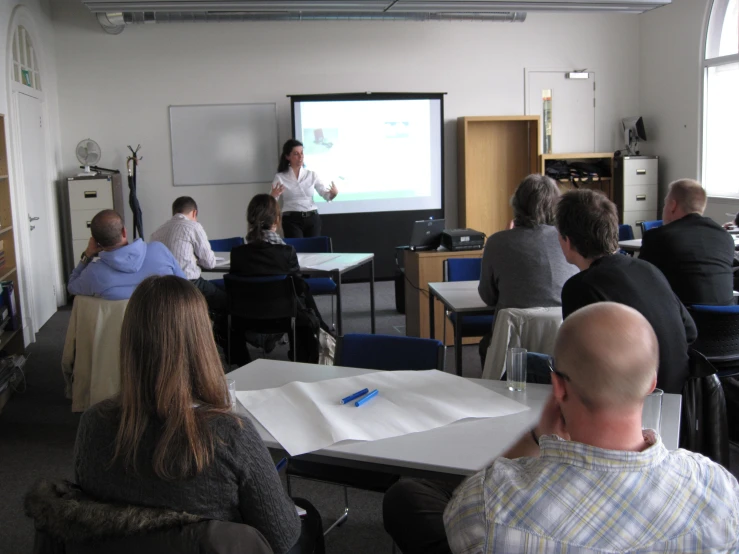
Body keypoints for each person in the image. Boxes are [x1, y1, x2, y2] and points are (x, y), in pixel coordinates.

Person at [383, 303, 739, 554]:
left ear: (559, 387)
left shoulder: (491, 503)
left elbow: (456, 525)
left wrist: (535, 437)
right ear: (651, 384)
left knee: (406, 497)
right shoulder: (719, 491)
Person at [74, 276, 325, 554]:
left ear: (128, 340)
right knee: (308, 516)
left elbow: (87, 519)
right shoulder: (229, 435)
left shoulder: (92, 425)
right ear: (202, 340)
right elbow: (283, 536)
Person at [556, 189, 696, 394]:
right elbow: (690, 331)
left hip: (626, 399)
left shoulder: (580, 287)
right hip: (677, 396)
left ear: (567, 241)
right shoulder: (649, 269)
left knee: (529, 365)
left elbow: (581, 365)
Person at [477, 174, 577, 365]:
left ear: (516, 204)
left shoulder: (497, 242)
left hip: (511, 348)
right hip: (563, 346)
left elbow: (488, 297)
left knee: (485, 346)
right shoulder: (569, 241)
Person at [229, 194, 328, 364]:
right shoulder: (286, 252)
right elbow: (297, 289)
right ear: (276, 219)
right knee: (302, 302)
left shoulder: (237, 254)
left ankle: (242, 364)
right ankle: (305, 355)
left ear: (249, 219)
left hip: (245, 317)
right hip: (283, 318)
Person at [639, 179, 735, 305]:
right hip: (728, 319)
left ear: (673, 205)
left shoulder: (659, 237)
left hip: (684, 318)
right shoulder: (725, 237)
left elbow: (640, 278)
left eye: (665, 204)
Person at [67, 209, 185, 300]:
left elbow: (71, 286)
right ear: (124, 231)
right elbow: (185, 286)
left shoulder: (94, 273)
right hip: (169, 325)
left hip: (126, 330)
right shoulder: (159, 249)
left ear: (96, 241)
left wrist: (87, 254)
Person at [150, 196, 227, 312]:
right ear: (194, 212)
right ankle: (216, 329)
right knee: (225, 300)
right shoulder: (193, 226)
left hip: (163, 288)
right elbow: (209, 263)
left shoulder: (157, 232)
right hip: (188, 284)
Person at [270, 139, 338, 238]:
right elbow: (270, 201)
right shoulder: (280, 177)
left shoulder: (311, 175)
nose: (300, 156)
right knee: (299, 251)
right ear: (287, 156)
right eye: (296, 154)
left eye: (302, 153)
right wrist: (273, 195)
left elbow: (325, 195)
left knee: (314, 252)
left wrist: (333, 194)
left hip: (312, 218)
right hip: (291, 219)